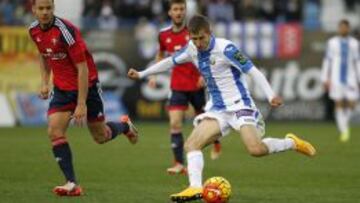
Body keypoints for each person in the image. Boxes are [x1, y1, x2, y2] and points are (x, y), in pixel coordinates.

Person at [128, 15, 316, 202]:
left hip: (240, 105)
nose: (198, 42)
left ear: (210, 33)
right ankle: (195, 188)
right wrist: (142, 73)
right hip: (217, 110)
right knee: (191, 144)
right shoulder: (192, 49)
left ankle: (291, 142)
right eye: (194, 39)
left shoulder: (226, 48)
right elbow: (170, 61)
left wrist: (270, 95)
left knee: (255, 149)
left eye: (202, 37)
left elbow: (253, 71)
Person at [29, 0, 138, 196]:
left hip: (87, 86)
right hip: (62, 90)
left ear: (53, 8)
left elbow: (83, 68)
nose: (45, 12)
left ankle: (125, 126)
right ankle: (71, 183)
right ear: (34, 10)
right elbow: (44, 55)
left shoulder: (66, 31)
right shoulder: (34, 31)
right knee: (54, 131)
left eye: (48, 8)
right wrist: (45, 82)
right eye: (41, 8)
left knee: (100, 136)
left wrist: (81, 104)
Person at [148, 0, 221, 174]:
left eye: (182, 9)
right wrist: (153, 74)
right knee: (174, 123)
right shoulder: (163, 35)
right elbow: (160, 54)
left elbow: (210, 54)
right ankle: (179, 163)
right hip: (177, 86)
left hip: (196, 85)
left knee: (205, 124)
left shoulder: (194, 33)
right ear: (169, 12)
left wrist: (205, 75)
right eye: (176, 9)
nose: (179, 12)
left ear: (185, 11)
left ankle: (215, 142)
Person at [321, 19, 360, 143]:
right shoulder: (332, 43)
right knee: (338, 103)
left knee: (352, 104)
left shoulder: (354, 43)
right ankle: (344, 131)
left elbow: (357, 61)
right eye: (341, 27)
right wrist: (325, 78)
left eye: (345, 27)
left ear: (348, 29)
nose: (343, 29)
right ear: (338, 28)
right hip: (336, 78)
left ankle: (344, 125)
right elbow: (327, 61)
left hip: (351, 78)